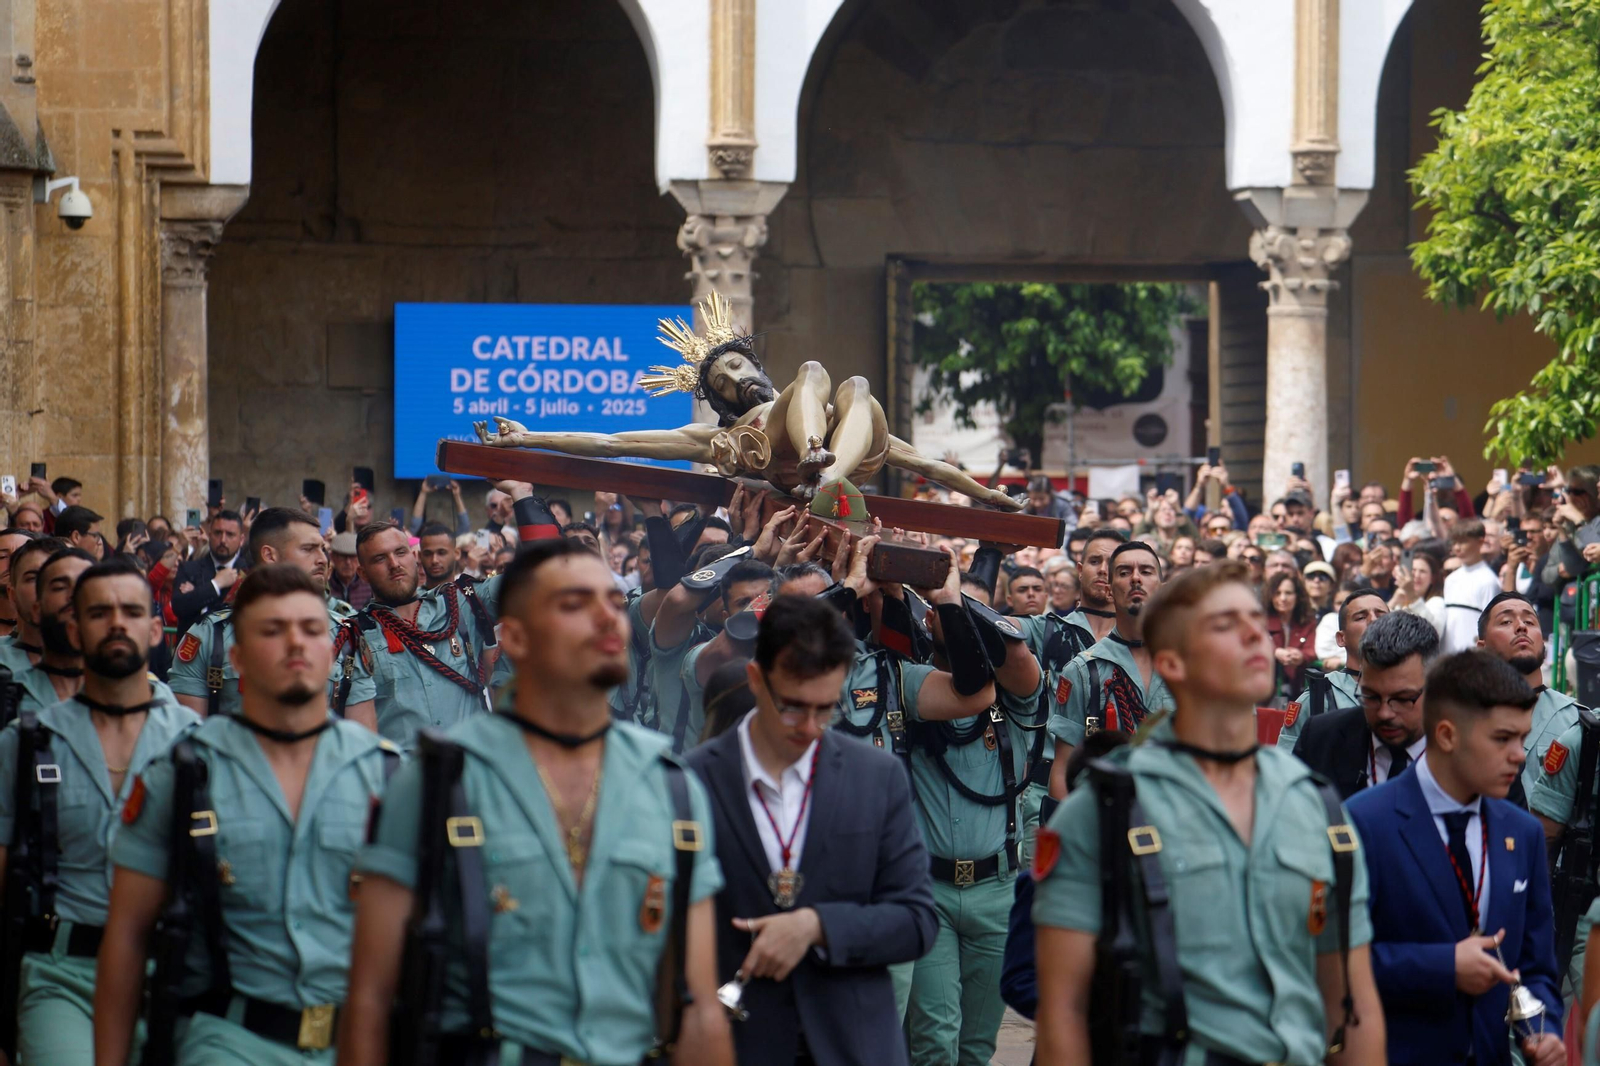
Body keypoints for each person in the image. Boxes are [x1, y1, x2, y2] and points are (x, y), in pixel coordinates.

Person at [339, 539, 734, 1066]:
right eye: (574, 605)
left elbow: (699, 1010)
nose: (606, 619)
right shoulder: (441, 780)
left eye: (614, 604)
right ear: (516, 638)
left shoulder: (673, 787)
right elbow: (369, 1000)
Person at [1032, 560, 1385, 1066]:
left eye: (1255, 622)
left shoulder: (1316, 804)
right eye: (1224, 625)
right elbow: (1063, 1014)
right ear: (1172, 663)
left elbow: (1351, 1006)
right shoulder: (1106, 809)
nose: (1252, 636)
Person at [94, 564, 399, 1066]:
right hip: (229, 1040)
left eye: (311, 629)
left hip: (359, 1041)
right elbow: (126, 937)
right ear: (235, 657)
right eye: (272, 631)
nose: (296, 644)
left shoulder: (387, 776)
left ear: (333, 649)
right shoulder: (184, 773)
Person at [685, 594, 936, 1066]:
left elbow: (916, 921)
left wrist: (818, 926)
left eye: (826, 709)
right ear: (756, 680)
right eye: (793, 708)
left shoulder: (876, 776)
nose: (810, 728)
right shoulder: (691, 781)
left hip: (853, 1043)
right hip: (734, 1043)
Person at [0, 557, 198, 1065]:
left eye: (131, 611)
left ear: (156, 629)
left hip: (172, 975)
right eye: (99, 612)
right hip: (61, 971)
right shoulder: (26, 742)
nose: (116, 622)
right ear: (73, 627)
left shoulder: (197, 745)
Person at [1346, 651, 1564, 1066]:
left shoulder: (1524, 832)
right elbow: (1337, 962)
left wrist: (1546, 1031)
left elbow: (1536, 967)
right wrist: (1442, 966)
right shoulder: (1364, 821)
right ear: (1446, 735)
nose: (1519, 754)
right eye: (1503, 739)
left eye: (1522, 737)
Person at [167, 507, 375, 724]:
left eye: (323, 549)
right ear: (270, 555)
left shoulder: (346, 635)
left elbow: (362, 737)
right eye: (309, 549)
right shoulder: (210, 635)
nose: (322, 559)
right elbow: (188, 739)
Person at [1047, 541, 1175, 796]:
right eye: (1125, 572)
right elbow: (1064, 766)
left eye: (1147, 572)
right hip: (1106, 813)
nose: (1136, 578)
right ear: (1109, 591)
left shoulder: (1191, 666)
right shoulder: (1084, 671)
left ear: (1161, 588)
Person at [1293, 610, 1439, 800]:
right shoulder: (1320, 740)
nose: (1385, 713)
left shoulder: (1466, 753)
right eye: (1371, 696)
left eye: (1403, 699)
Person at [1476, 591, 1576, 803]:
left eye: (1530, 621)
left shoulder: (1576, 721)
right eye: (1505, 621)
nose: (1521, 626)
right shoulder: (1462, 720)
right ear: (1481, 649)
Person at [1278, 589, 1391, 750]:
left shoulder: (1412, 693)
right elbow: (1286, 767)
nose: (1373, 620)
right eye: (1361, 617)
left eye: (1381, 616)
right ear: (1341, 638)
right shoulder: (1319, 697)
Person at [169, 509, 246, 632]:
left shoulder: (248, 571)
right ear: (209, 535)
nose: (223, 540)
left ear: (241, 540)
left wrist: (197, 593)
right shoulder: (189, 568)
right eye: (217, 533)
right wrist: (215, 584)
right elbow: (179, 606)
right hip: (193, 647)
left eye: (230, 534)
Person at [1442, 517, 1502, 654]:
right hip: (1447, 655)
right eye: (1454, 542)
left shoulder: (1488, 580)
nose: (1457, 547)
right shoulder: (1451, 579)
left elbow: (1490, 623)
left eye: (1463, 542)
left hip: (1473, 657)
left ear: (1480, 542)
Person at [1264, 569, 1317, 701]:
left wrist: (1301, 656)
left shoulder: (1307, 621)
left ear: (1297, 596)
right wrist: (1275, 652)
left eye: (1288, 593)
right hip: (1267, 690)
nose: (1283, 598)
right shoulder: (1260, 619)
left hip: (1297, 690)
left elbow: (1314, 649)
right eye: (1277, 593)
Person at [326, 531, 372, 611]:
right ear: (332, 557)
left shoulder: (370, 585)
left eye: (352, 557)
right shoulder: (325, 585)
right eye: (342, 557)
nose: (348, 562)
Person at [414, 521, 459, 590]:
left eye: (441, 553)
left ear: (456, 554)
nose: (434, 560)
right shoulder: (412, 599)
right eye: (428, 554)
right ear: (420, 556)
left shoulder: (472, 595)